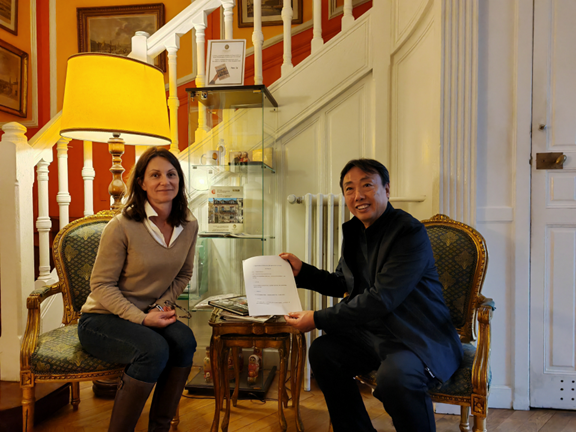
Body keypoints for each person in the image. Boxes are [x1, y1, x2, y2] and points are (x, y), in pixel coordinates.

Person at [280, 159, 463, 432]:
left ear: (386, 190)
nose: (358, 195)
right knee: (323, 352)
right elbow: (343, 283)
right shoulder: (354, 231)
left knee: (395, 379)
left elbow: (382, 298)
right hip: (371, 333)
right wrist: (302, 271)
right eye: (349, 188)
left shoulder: (408, 231)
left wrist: (317, 318)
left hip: (413, 335)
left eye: (367, 185)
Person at [78, 146, 199, 432]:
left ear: (179, 180)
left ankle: (159, 428)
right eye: (155, 175)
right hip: (102, 319)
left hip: (149, 313)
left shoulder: (189, 224)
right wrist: (142, 319)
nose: (165, 181)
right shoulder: (121, 226)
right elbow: (101, 285)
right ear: (142, 183)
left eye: (171, 174)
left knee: (185, 341)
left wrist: (160, 306)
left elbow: (184, 273)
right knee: (153, 349)